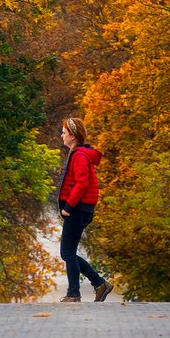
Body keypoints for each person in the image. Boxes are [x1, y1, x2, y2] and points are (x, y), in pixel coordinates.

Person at [57, 116, 114, 303]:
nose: (62, 136)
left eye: (64, 133)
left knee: (67, 252)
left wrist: (68, 207)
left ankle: (74, 293)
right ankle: (99, 284)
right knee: (69, 252)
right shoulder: (78, 154)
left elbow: (82, 183)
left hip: (78, 209)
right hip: (81, 209)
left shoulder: (79, 156)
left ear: (72, 136)